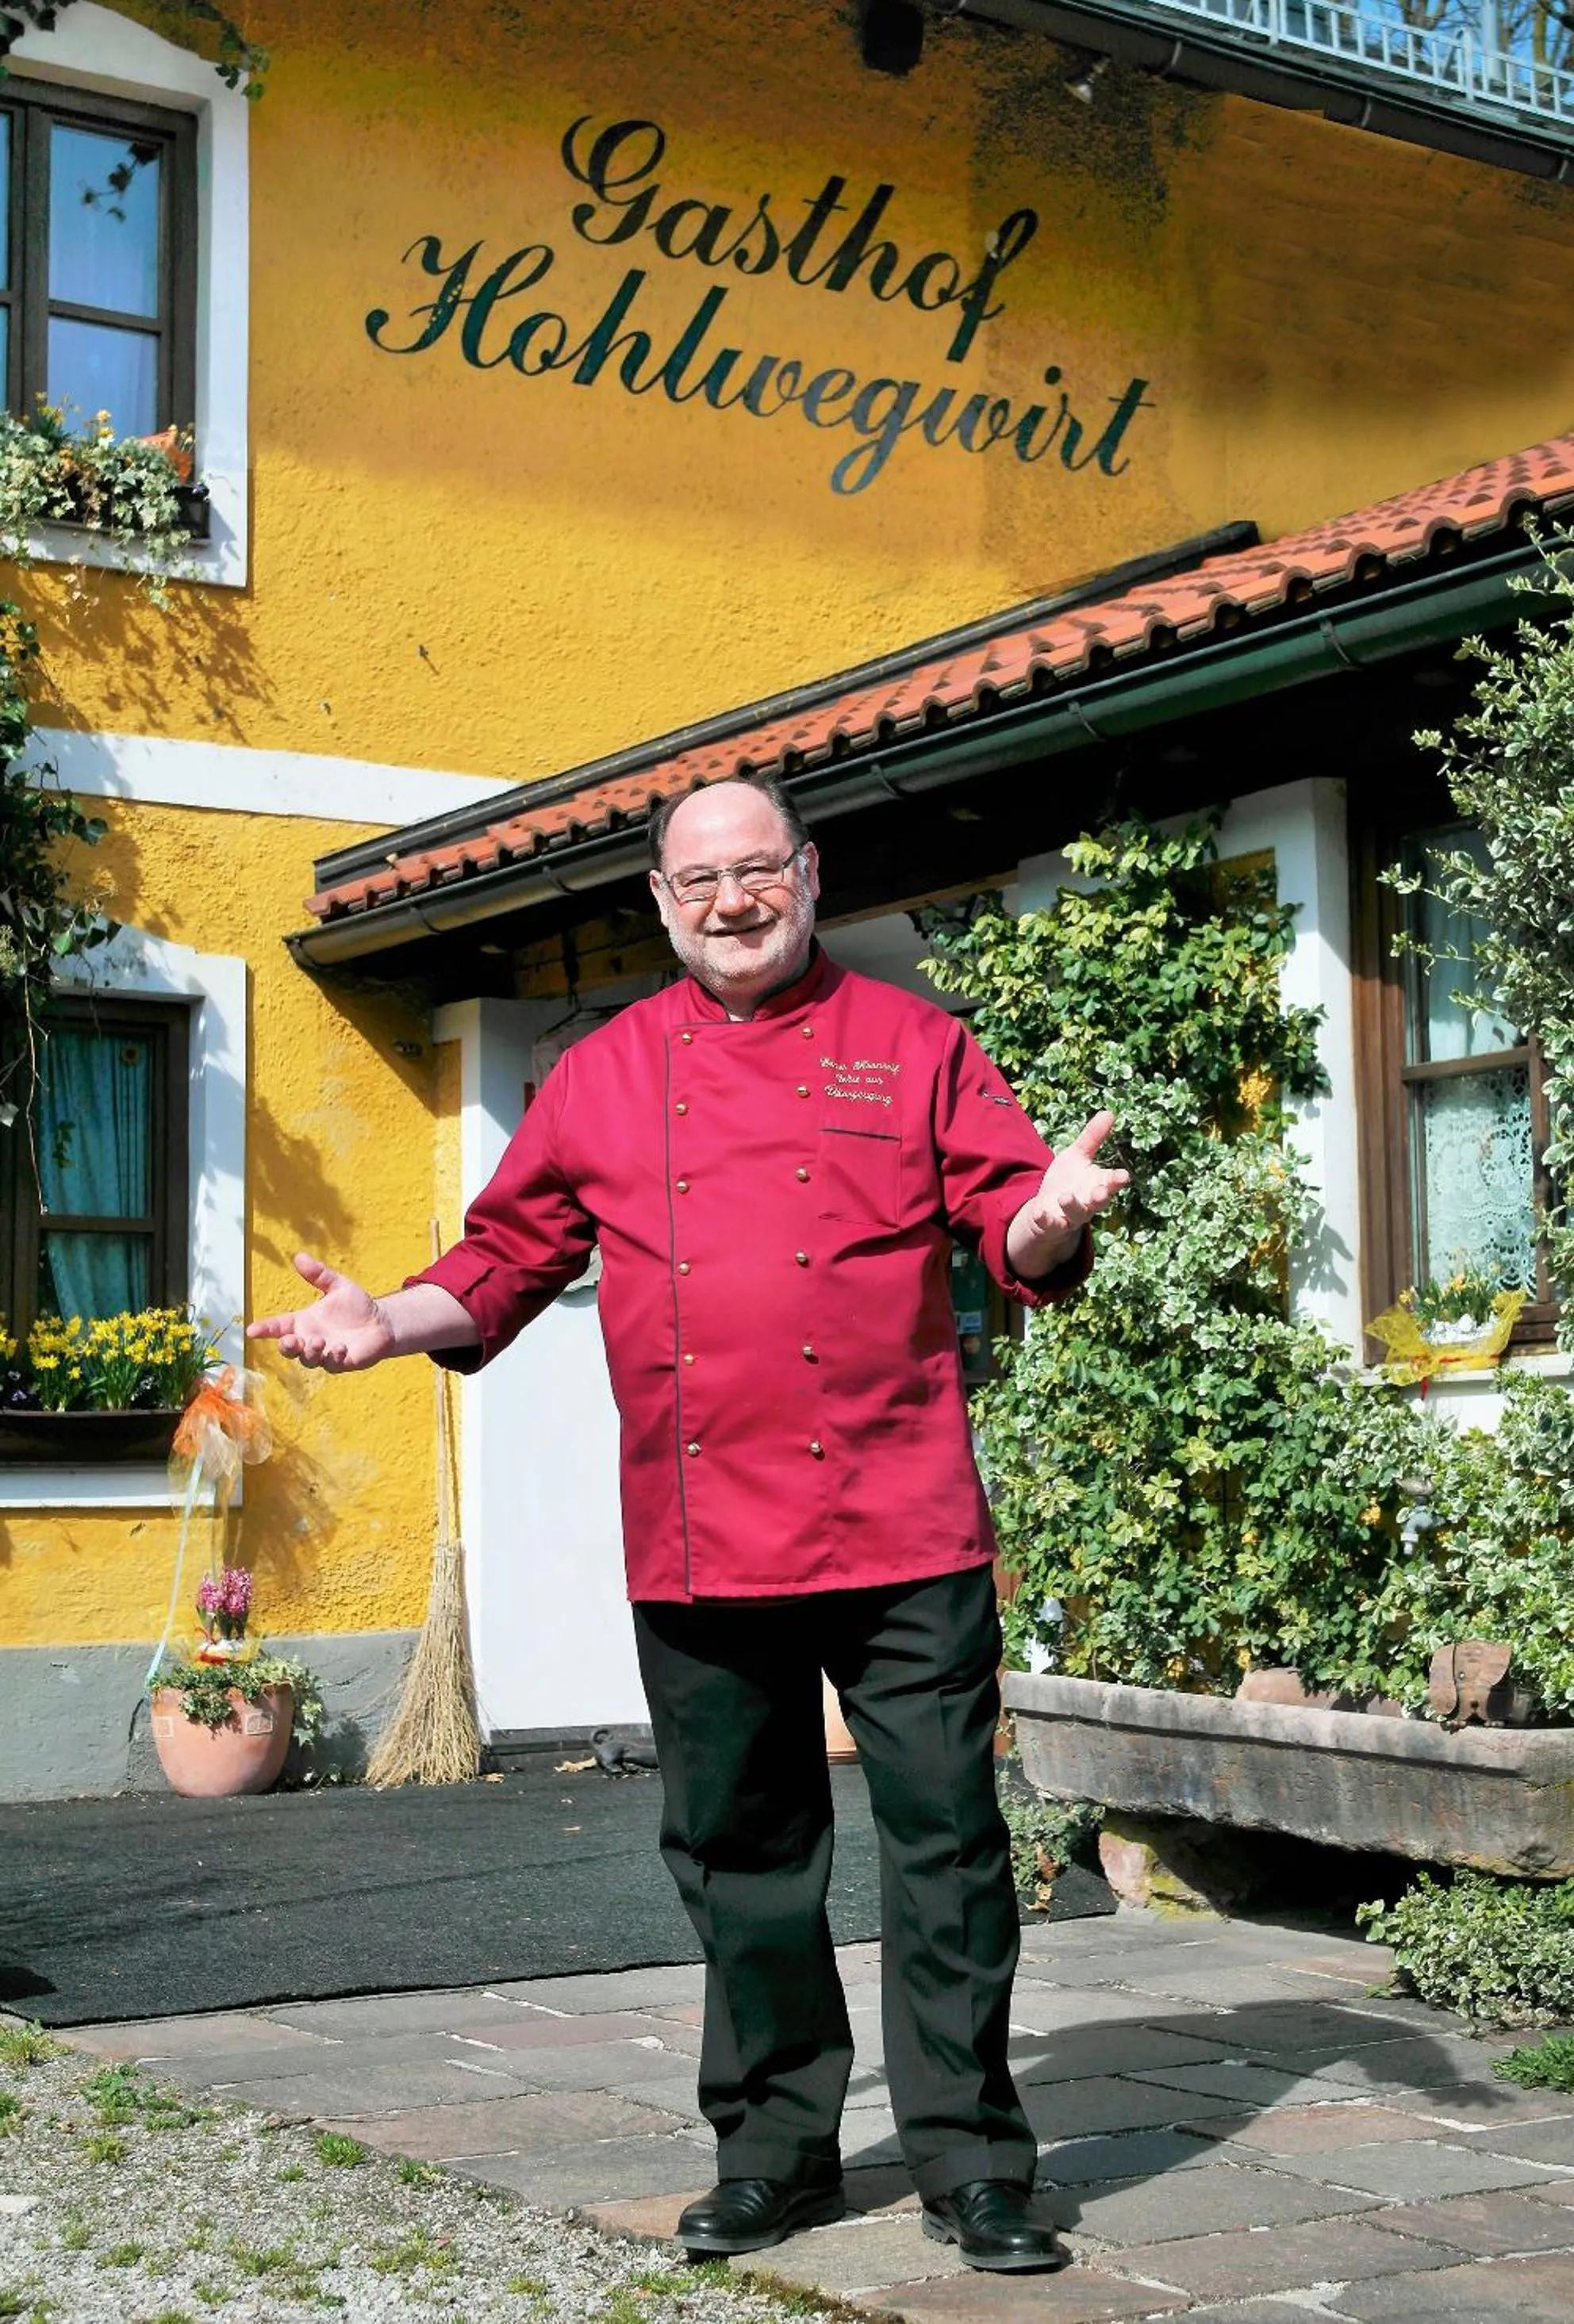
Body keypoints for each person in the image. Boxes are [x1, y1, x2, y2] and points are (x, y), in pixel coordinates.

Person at [249, 777, 1127, 2273]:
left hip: (907, 1525)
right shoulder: (604, 1072)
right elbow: (505, 1256)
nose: (733, 899)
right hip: (703, 1530)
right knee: (741, 1856)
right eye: (700, 879)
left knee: (950, 1846)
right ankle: (775, 2153)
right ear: (661, 903)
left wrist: (1046, 1222)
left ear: (809, 874)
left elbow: (1013, 1218)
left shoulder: (914, 1044)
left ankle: (975, 2165)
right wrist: (389, 1320)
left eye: (758, 869)